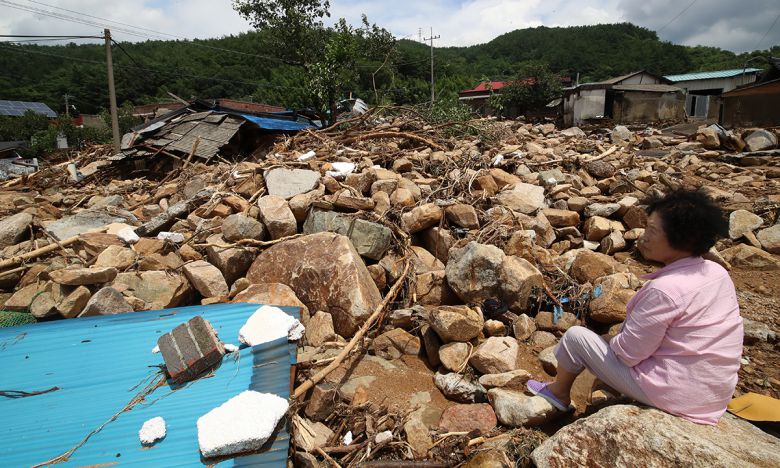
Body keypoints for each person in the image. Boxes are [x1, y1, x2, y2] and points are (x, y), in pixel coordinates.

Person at [526, 188, 744, 425]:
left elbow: (629, 355)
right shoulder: (717, 272)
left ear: (683, 239)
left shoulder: (666, 290)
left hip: (676, 395)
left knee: (576, 337)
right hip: (713, 395)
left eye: (652, 230)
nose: (643, 237)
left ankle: (558, 392)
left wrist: (611, 341)